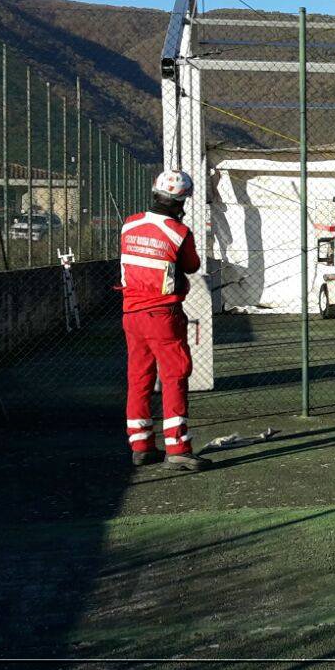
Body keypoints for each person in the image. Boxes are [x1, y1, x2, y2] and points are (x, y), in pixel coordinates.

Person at [120, 169, 210, 471]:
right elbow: (192, 265)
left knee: (139, 378)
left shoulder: (129, 225)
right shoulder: (179, 233)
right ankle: (178, 448)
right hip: (163, 315)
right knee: (174, 376)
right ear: (180, 201)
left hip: (131, 313)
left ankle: (141, 443)